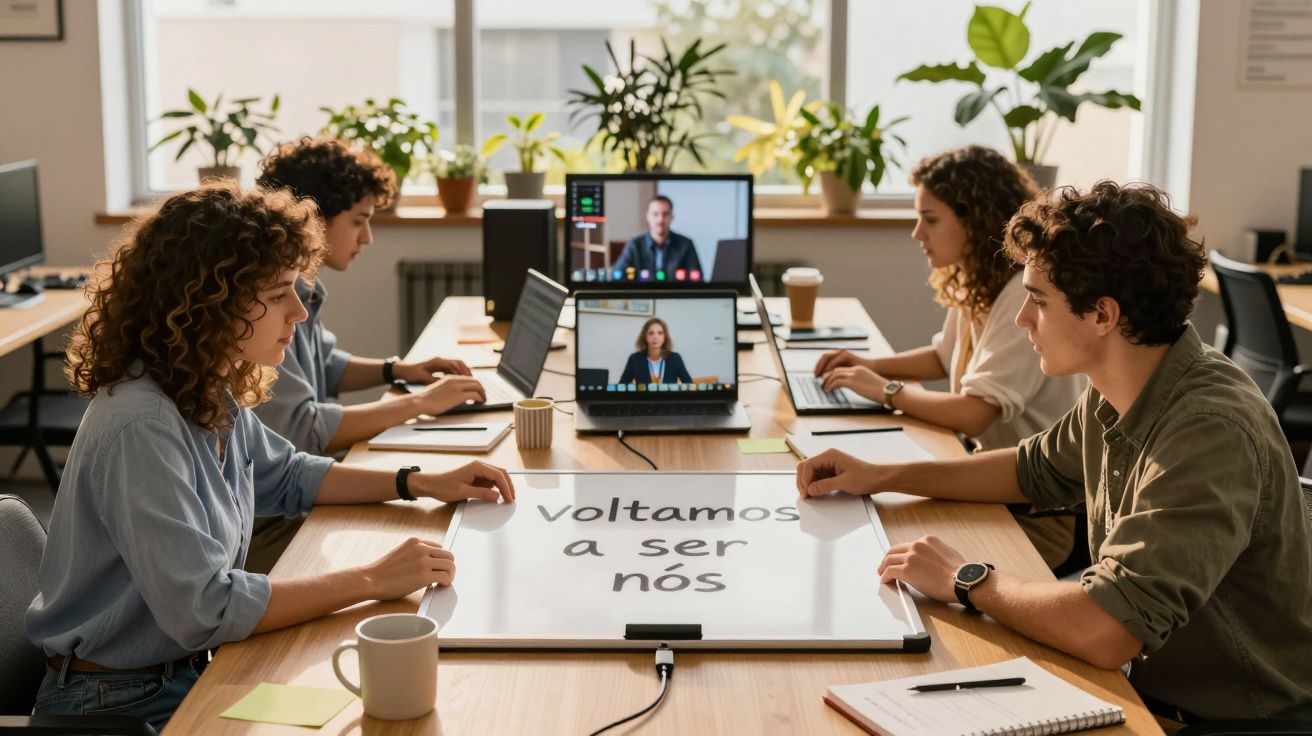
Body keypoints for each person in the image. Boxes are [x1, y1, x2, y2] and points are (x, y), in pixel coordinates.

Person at [796, 181, 1312, 724]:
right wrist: (882, 474)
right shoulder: (1128, 380)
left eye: (1038, 302)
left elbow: (1109, 629)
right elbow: (1031, 469)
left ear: (1103, 315)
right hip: (1153, 687)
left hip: (1231, 720)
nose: (1022, 320)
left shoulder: (1209, 429)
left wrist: (965, 578)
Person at [26, 183, 516, 731]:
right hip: (115, 705)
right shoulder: (142, 424)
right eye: (280, 292)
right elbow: (204, 608)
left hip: (179, 671)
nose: (300, 312)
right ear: (210, 300)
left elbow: (287, 475)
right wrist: (374, 579)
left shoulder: (202, 388)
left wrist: (421, 482)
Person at [814, 146, 1085, 567]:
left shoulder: (1023, 296)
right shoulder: (977, 280)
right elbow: (944, 357)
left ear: (974, 222)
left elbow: (975, 414)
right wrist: (865, 364)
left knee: (882, 537)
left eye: (931, 219)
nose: (917, 233)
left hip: (1038, 515)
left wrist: (885, 390)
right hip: (992, 482)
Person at [249, 137, 486, 572]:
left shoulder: (301, 290)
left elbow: (326, 364)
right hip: (272, 519)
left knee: (427, 528)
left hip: (294, 489)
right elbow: (302, 430)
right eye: (359, 220)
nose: (368, 237)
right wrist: (418, 403)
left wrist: (398, 369)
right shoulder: (265, 308)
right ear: (313, 220)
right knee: (425, 538)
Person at [613, 196, 702, 278]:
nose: (660, 220)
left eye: (665, 214)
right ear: (647, 216)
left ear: (672, 217)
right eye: (655, 214)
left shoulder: (686, 245)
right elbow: (618, 275)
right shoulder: (634, 245)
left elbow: (697, 278)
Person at [618, 317, 693, 385]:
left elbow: (690, 385)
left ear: (665, 337)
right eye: (651, 333)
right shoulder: (634, 359)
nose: (655, 337)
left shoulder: (675, 358)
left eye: (660, 333)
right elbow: (621, 386)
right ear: (645, 336)